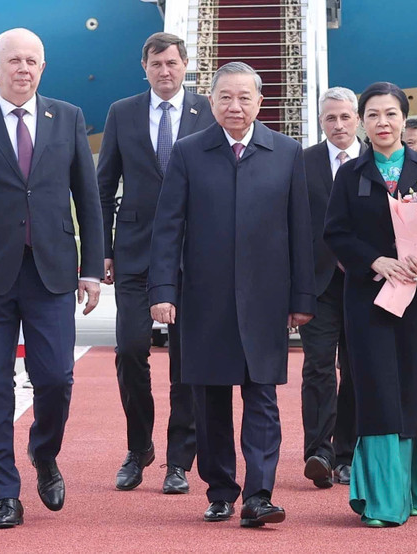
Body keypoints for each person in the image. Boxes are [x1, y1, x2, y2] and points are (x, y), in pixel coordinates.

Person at [0, 28, 104, 529]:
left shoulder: (68, 118)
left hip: (51, 273)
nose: (23, 69)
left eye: (32, 61)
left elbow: (88, 201)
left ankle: (44, 453)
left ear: (43, 68)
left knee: (56, 377)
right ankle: (4, 491)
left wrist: (92, 268)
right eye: (13, 61)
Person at [149, 62, 315, 527]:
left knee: (263, 398)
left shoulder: (285, 152)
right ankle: (221, 489)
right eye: (225, 97)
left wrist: (302, 297)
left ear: (260, 102)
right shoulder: (188, 152)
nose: (235, 107)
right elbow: (167, 229)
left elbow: (300, 230)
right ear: (211, 102)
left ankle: (259, 495)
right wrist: (163, 290)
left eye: (244, 97)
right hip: (205, 301)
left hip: (266, 302)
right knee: (211, 402)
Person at [324, 81, 417, 527]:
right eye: (374, 114)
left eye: (391, 114)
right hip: (368, 300)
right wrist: (374, 259)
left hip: (416, 301)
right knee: (377, 390)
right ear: (363, 121)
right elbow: (336, 233)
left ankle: (412, 489)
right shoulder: (351, 173)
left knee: (415, 389)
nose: (383, 122)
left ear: (404, 118)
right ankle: (382, 500)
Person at [98, 32, 214, 494]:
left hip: (194, 254)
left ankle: (179, 459)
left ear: (186, 65)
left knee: (186, 360)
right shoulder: (121, 113)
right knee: (129, 349)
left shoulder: (208, 111)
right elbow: (102, 186)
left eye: (172, 63)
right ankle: (138, 445)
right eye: (155, 64)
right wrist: (102, 248)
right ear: (143, 68)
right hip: (134, 251)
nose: (164, 71)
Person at [299, 86, 359, 488]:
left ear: (357, 119)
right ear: (321, 122)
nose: (338, 125)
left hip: (365, 286)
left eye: (344, 117)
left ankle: (347, 453)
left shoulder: (377, 162)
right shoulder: (301, 163)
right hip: (318, 285)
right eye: (330, 118)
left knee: (355, 371)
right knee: (318, 367)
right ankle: (318, 451)